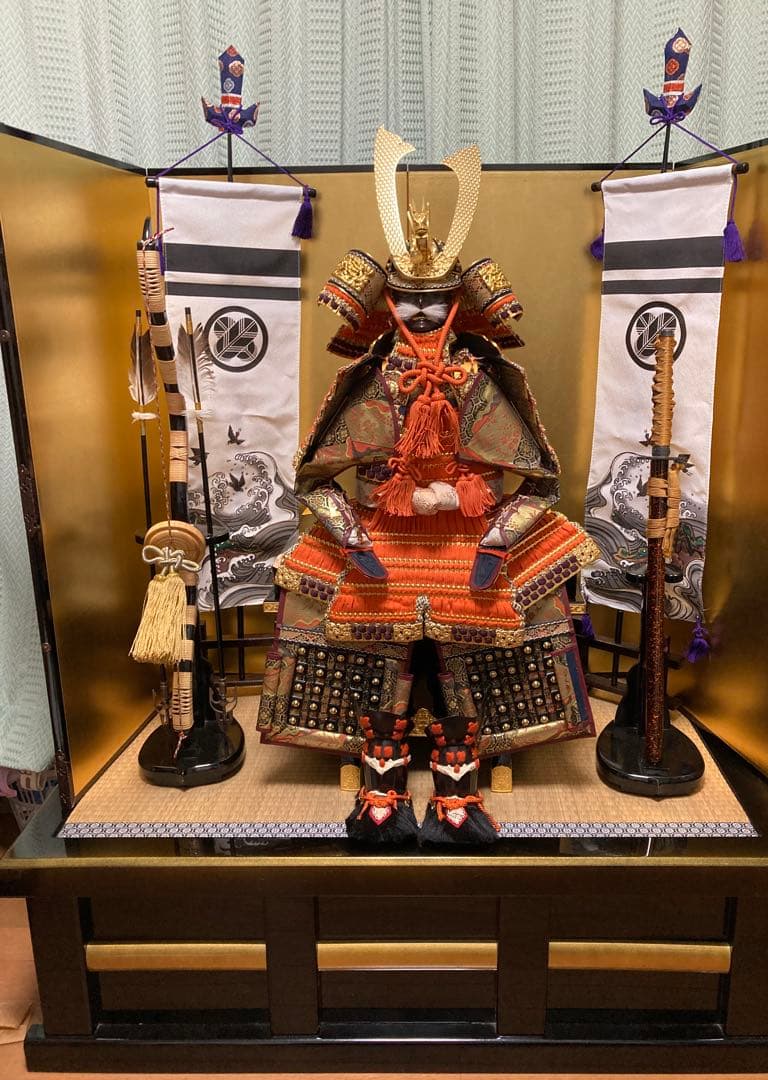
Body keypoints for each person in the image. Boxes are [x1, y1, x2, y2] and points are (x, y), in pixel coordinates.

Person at [257, 128, 599, 844]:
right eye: (408, 302)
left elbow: (542, 484)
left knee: (503, 610)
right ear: (384, 303)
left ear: (457, 302)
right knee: (331, 604)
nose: (420, 315)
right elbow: (313, 479)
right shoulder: (372, 378)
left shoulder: (481, 378)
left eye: (436, 302)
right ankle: (377, 778)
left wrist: (497, 535)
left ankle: (461, 780)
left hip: (472, 533)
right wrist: (351, 534)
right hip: (381, 532)